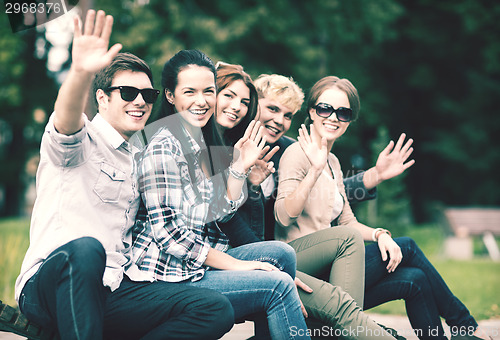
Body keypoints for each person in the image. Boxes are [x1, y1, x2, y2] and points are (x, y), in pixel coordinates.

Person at [14, 10, 234, 340]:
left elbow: (194, 208)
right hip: (50, 284)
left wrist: (239, 170)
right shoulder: (80, 141)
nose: (140, 102)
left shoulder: (142, 155)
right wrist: (79, 73)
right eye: (128, 93)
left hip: (114, 288)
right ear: (102, 98)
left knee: (215, 308)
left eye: (148, 95)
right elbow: (66, 116)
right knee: (86, 250)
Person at [274, 75, 491, 340]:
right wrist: (314, 170)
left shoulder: (333, 162)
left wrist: (379, 234)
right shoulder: (296, 154)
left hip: (336, 266)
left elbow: (347, 221)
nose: (333, 117)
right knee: (408, 246)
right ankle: (465, 325)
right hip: (305, 268)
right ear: (311, 112)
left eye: (343, 112)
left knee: (415, 280)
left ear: (350, 120)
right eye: (324, 108)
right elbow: (284, 216)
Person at [127, 49, 310, 339]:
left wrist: (239, 168)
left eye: (208, 91)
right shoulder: (164, 145)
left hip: (188, 265)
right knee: (278, 284)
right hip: (166, 274)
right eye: (190, 92)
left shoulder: (197, 140)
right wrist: (242, 266)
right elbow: (168, 233)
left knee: (282, 254)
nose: (202, 101)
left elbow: (218, 211)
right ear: (171, 96)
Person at [218, 72, 401, 339]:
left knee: (408, 275)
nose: (279, 120)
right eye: (271, 109)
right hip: (255, 258)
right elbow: (233, 219)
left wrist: (373, 180)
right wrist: (271, 265)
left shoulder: (290, 148)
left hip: (280, 255)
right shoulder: (232, 149)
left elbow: (330, 195)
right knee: (345, 297)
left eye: (287, 115)